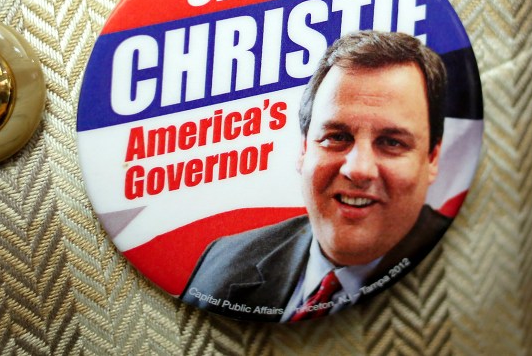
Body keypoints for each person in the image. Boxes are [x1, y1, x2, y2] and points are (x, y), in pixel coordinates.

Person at [181, 30, 451, 322]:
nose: (358, 169)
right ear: (304, 149)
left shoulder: (463, 281)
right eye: (337, 137)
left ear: (432, 158)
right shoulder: (223, 263)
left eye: (391, 142)